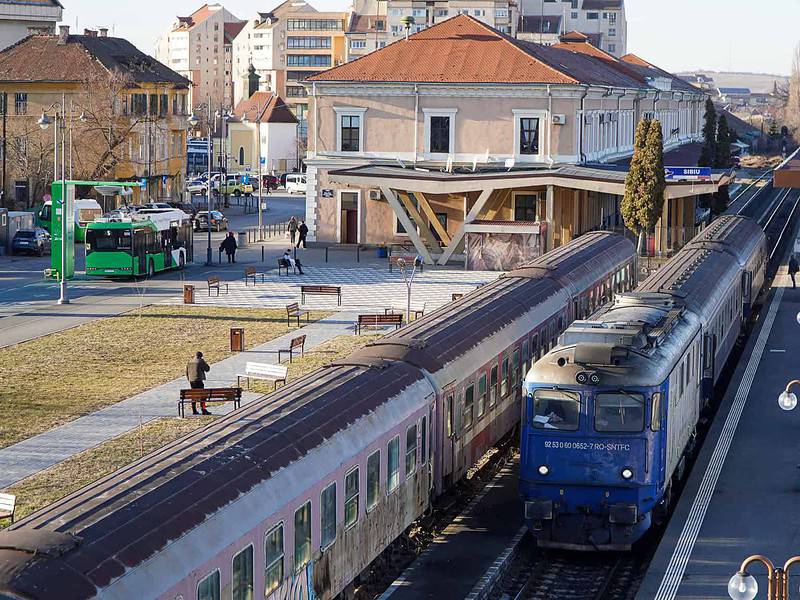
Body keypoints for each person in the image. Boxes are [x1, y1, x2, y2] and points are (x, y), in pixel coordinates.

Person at [186, 351, 212, 415]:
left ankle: (194, 410)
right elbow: (207, 369)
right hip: (199, 380)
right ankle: (203, 409)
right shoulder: (200, 361)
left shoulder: (190, 361)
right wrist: (204, 361)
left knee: (194, 394)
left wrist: (189, 378)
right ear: (201, 356)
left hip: (191, 380)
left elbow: (186, 371)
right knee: (202, 395)